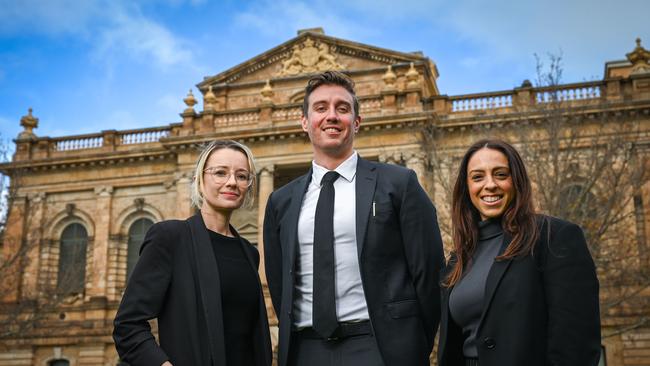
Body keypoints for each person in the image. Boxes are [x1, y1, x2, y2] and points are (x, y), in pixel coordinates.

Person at [263, 70, 444, 366]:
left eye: (342, 108)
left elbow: (429, 271)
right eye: (321, 108)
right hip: (304, 349)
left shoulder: (399, 184)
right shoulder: (280, 201)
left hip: (380, 347)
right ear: (305, 122)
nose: (331, 116)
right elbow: (279, 279)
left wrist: (411, 342)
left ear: (356, 123)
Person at [437, 139, 601, 366]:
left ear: (517, 181)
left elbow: (576, 341)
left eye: (501, 174)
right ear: (467, 188)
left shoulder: (554, 237)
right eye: (478, 177)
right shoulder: (459, 258)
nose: (490, 184)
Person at [113, 140, 272, 366]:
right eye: (220, 173)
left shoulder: (248, 251)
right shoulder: (170, 237)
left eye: (242, 176)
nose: (232, 182)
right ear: (199, 181)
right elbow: (128, 325)